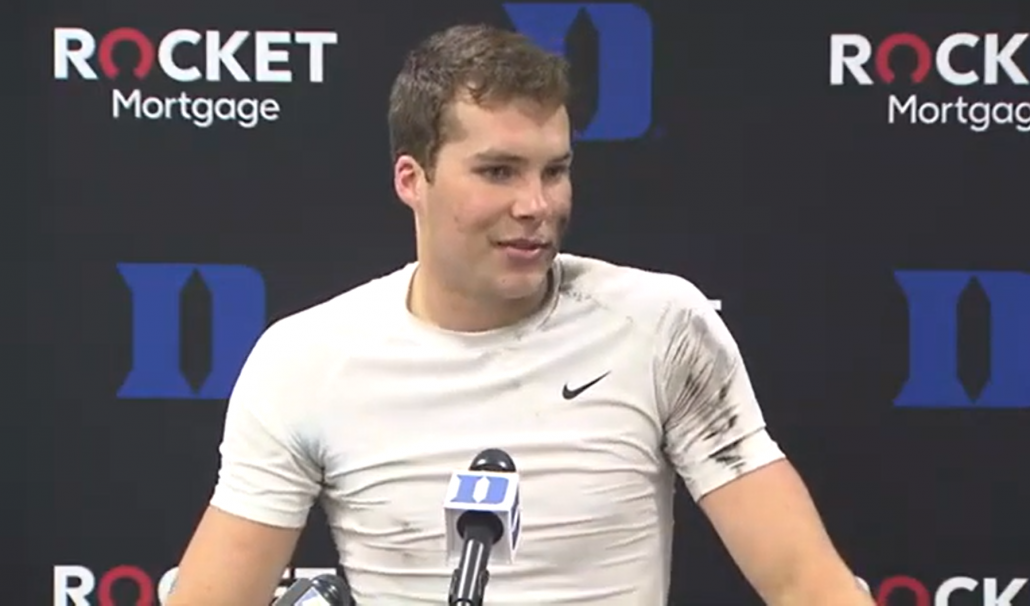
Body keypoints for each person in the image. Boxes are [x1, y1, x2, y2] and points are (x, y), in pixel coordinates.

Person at [167, 23, 873, 606]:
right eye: (499, 171)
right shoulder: (305, 361)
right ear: (412, 179)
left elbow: (805, 583)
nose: (537, 205)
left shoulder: (660, 328)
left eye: (554, 171)